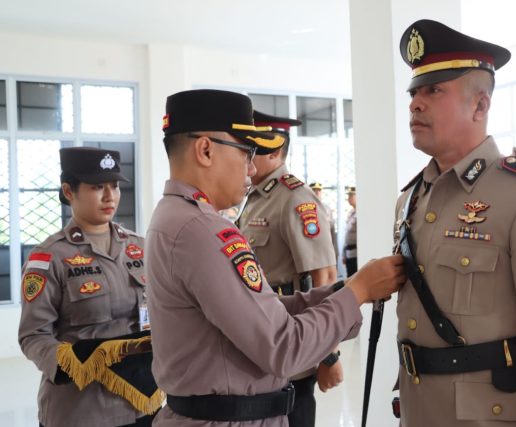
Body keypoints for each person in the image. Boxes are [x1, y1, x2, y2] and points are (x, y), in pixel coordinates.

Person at [145, 89, 406, 426]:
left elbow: (263, 310)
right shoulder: (200, 229)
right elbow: (283, 346)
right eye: (245, 152)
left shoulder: (176, 217)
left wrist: (347, 288)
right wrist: (358, 294)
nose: (251, 167)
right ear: (206, 149)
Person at [393, 19, 516, 427]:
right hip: (418, 407)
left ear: (480, 105)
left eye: (433, 90)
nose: (415, 104)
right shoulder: (411, 198)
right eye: (413, 92)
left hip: (488, 415)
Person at [18, 147, 160, 427]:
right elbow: (33, 335)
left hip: (143, 402)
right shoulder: (49, 257)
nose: (110, 196)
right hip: (82, 408)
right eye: (97, 187)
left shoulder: (139, 247)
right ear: (69, 191)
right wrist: (70, 363)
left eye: (115, 186)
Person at [236, 111, 340, 427]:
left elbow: (325, 278)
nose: (248, 161)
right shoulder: (254, 197)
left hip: (291, 345)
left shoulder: (295, 199)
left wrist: (328, 355)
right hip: (263, 337)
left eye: (255, 152)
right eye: (246, 152)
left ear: (278, 151)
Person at [308, 181, 339, 259]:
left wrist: (335, 251)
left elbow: (333, 232)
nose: (317, 192)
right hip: (312, 249)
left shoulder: (327, 209)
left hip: (326, 248)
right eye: (314, 190)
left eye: (319, 190)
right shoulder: (305, 208)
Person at [342, 186, 357, 276]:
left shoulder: (361, 212)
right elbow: (347, 235)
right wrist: (344, 254)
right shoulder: (351, 213)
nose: (349, 198)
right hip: (349, 253)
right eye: (348, 196)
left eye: (351, 195)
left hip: (356, 254)